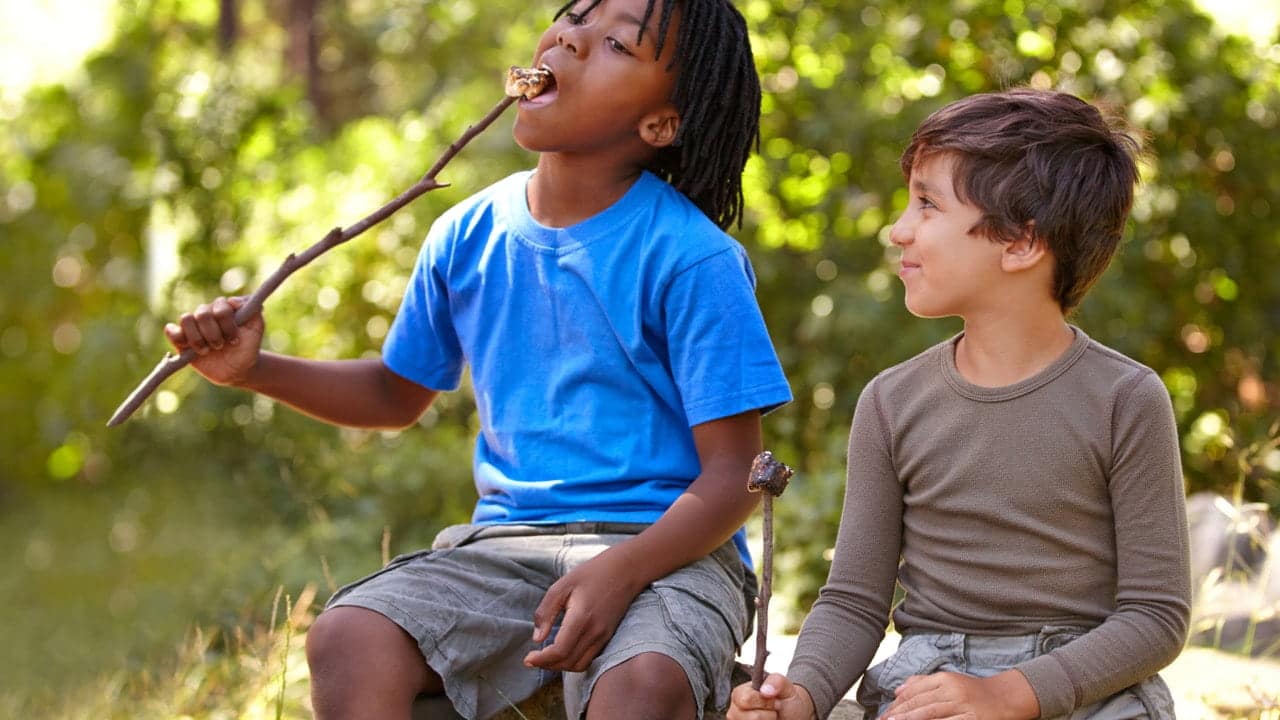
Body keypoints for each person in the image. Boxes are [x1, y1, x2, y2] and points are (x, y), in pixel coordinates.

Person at [164, 1, 792, 718]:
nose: (571, 39)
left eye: (615, 42)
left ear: (659, 124)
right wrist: (253, 369)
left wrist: (622, 571)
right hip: (502, 551)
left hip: (669, 556)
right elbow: (395, 394)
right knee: (347, 635)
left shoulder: (692, 258)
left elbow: (735, 478)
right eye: (573, 18)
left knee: (644, 682)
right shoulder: (467, 233)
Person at [729, 88, 1190, 720]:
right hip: (931, 681)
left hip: (1086, 686)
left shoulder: (1127, 399)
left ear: (1021, 242)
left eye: (927, 204)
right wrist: (803, 695)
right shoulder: (891, 401)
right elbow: (856, 601)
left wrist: (1012, 693)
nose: (898, 229)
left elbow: (1155, 616)